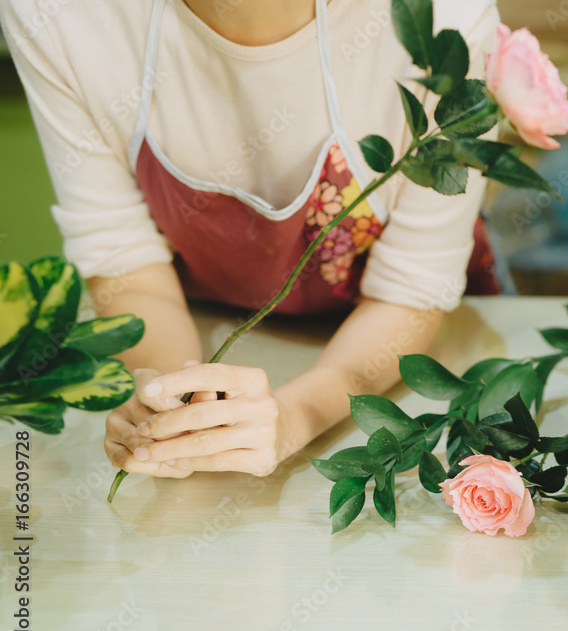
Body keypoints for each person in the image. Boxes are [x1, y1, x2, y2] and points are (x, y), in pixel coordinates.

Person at [1, 0, 501, 479]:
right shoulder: (57, 15)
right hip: (199, 319)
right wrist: (178, 402)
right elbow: (123, 258)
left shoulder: (441, 22)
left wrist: (295, 417)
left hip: (402, 351)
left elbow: (411, 290)